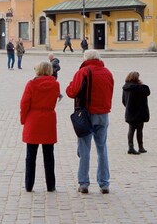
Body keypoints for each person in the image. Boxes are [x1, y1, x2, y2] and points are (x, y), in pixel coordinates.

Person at [65, 49, 114, 194]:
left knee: (85, 149)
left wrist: (70, 85)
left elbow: (71, 92)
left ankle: (84, 182)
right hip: (103, 114)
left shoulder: (84, 71)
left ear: (86, 58)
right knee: (102, 148)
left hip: (87, 114)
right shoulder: (107, 72)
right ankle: (104, 183)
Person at [20, 61, 61, 192]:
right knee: (49, 155)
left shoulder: (31, 84)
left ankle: (29, 184)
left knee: (30, 156)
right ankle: (51, 185)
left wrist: (23, 120)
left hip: (33, 119)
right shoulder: (55, 84)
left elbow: (24, 103)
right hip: (48, 119)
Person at [121, 71, 150, 155]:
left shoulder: (125, 87)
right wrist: (141, 84)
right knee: (139, 129)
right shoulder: (139, 87)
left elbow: (123, 100)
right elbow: (147, 91)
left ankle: (130, 147)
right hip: (139, 112)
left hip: (130, 111)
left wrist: (128, 106)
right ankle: (140, 147)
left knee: (131, 129)